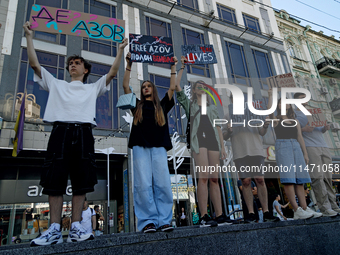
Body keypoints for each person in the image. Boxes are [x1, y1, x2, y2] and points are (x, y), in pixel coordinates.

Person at [23, 21, 128, 246]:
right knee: (54, 181)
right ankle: (53, 229)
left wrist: (120, 51)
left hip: (83, 132)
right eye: (70, 63)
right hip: (60, 131)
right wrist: (29, 37)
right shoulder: (57, 83)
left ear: (85, 69)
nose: (72, 65)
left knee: (81, 182)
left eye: (77, 63)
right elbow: (34, 64)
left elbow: (112, 73)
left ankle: (77, 227)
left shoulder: (93, 87)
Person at [124, 52, 177, 233]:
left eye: (149, 86)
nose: (146, 87)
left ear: (153, 89)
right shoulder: (137, 105)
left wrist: (173, 67)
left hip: (159, 147)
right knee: (142, 183)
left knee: (162, 183)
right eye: (143, 86)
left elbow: (173, 87)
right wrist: (129, 65)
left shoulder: (161, 106)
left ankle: (164, 220)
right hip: (140, 146)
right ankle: (147, 221)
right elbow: (125, 86)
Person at [175, 57, 231, 227]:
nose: (201, 87)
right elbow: (177, 88)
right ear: (194, 89)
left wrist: (223, 147)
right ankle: (205, 215)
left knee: (215, 178)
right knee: (203, 178)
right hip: (199, 142)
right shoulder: (190, 105)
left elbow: (218, 128)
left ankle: (220, 215)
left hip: (214, 141)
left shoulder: (213, 107)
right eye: (198, 85)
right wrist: (182, 67)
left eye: (203, 85)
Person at [223, 95, 280, 223]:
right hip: (240, 152)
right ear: (231, 101)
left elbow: (261, 132)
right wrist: (229, 130)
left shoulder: (254, 113)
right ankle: (250, 214)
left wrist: (265, 125)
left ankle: (266, 212)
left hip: (256, 150)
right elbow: (224, 136)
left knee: (260, 180)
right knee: (246, 182)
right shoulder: (228, 116)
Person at [267, 89, 322, 220]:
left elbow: (300, 137)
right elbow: (269, 110)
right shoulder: (276, 119)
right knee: (289, 179)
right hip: (283, 146)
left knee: (300, 180)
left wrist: (305, 154)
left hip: (296, 146)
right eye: (281, 103)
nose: (284, 104)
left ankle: (304, 208)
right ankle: (296, 210)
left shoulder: (295, 120)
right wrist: (270, 96)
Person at [294, 92, 340, 217]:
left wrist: (326, 127)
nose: (304, 101)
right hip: (310, 147)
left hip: (324, 146)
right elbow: (293, 131)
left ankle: (334, 205)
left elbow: (321, 130)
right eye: (301, 99)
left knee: (328, 178)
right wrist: (303, 129)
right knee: (317, 178)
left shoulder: (314, 112)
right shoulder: (294, 114)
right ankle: (324, 208)